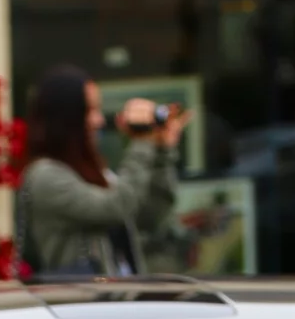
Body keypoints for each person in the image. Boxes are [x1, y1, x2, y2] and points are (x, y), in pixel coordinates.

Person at [17, 68, 183, 279]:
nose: (99, 121)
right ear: (66, 117)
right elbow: (116, 207)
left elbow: (151, 218)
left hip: (118, 295)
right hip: (76, 297)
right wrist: (142, 141)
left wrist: (162, 153)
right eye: (90, 111)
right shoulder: (45, 176)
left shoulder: (95, 174)